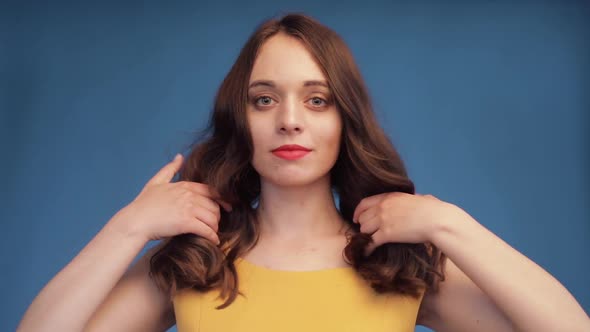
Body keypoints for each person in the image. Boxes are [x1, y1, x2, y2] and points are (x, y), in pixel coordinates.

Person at [18, 12, 589, 332]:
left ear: (346, 120)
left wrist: (450, 226)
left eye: (317, 100)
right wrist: (127, 227)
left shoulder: (394, 264)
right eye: (264, 100)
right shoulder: (198, 262)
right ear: (240, 120)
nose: (290, 121)